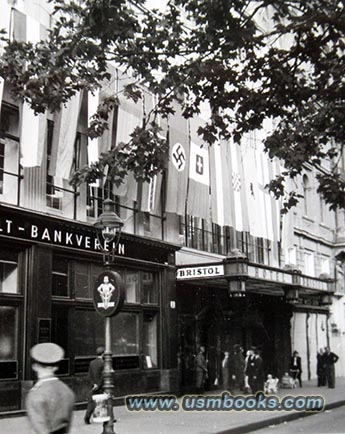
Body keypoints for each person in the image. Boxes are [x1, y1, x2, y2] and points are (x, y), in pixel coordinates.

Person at [26, 342, 75, 434]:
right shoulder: (66, 390)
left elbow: (39, 429)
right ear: (55, 367)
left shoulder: (36, 393)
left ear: (35, 367)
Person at [84, 346, 105, 424]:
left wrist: (94, 384)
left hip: (93, 386)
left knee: (91, 402)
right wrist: (98, 385)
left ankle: (87, 417)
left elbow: (89, 375)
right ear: (103, 354)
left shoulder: (92, 363)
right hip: (101, 386)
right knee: (105, 401)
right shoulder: (103, 363)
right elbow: (103, 376)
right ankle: (109, 418)